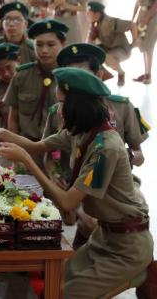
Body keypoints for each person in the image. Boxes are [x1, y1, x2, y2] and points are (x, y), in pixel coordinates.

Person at [0, 67, 153, 298]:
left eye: (62, 103)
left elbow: (67, 201)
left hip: (127, 247)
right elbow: (38, 146)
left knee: (63, 295)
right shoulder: (81, 132)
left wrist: (27, 162)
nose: (58, 110)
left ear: (78, 105)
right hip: (104, 237)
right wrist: (3, 133)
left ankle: (140, 274)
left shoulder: (106, 147)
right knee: (52, 284)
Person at [43, 42, 150, 229]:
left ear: (99, 76)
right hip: (72, 181)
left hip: (113, 184)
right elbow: (47, 153)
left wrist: (118, 157)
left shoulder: (122, 107)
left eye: (83, 77)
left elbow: (139, 156)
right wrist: (54, 174)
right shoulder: (57, 111)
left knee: (121, 213)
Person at [4, 19, 67, 168]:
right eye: (39, 44)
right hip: (27, 147)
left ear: (63, 45)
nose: (44, 50)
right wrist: (16, 151)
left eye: (51, 45)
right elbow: (13, 118)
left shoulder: (70, 78)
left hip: (61, 151)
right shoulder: (22, 75)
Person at [0, 2, 35, 95]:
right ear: (2, 23)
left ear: (26, 24)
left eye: (17, 20)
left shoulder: (33, 49)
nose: (12, 24)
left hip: (26, 98)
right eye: (7, 19)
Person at [86, 1, 138, 86]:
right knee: (92, 53)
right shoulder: (94, 24)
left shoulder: (110, 22)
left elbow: (132, 24)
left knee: (107, 58)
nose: (87, 14)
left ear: (97, 14)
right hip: (108, 48)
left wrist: (135, 40)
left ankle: (121, 73)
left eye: (89, 12)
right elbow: (88, 44)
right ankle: (102, 75)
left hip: (122, 49)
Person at [132, 0, 157, 84]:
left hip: (153, 16)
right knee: (143, 45)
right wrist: (133, 17)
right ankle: (146, 72)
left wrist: (147, 17)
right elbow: (137, 1)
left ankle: (148, 75)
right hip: (142, 14)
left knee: (149, 45)